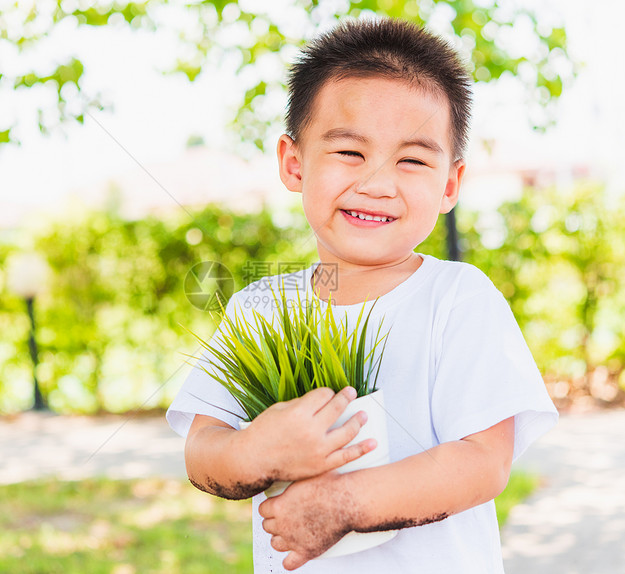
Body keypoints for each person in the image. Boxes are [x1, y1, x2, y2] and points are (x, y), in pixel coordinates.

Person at [166, 17, 558, 573]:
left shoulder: (459, 299)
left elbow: (482, 462)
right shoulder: (259, 310)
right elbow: (201, 451)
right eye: (350, 152)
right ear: (293, 162)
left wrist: (345, 506)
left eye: (413, 159)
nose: (377, 182)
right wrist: (255, 452)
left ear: (450, 183)